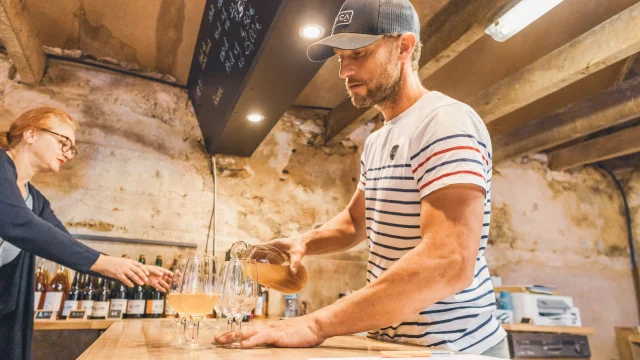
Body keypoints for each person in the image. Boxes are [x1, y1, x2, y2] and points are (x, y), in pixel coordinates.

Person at [215, 0, 509, 357]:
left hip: (456, 349)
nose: (344, 71)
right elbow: (358, 221)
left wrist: (314, 323)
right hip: (396, 346)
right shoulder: (378, 140)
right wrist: (304, 241)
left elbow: (450, 261)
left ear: (404, 46)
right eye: (340, 57)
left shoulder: (444, 122)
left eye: (359, 54)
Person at [0, 107, 172, 360]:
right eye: (63, 142)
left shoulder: (36, 201)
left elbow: (66, 246)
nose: (68, 154)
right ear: (31, 133)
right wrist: (105, 263)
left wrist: (134, 272)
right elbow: (17, 222)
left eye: (72, 149)